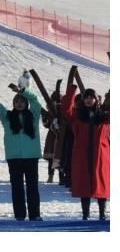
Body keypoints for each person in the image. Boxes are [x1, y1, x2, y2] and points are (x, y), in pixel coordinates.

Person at [0, 84, 43, 221]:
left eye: (22, 101)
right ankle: (20, 215)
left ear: (26, 103)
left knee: (32, 187)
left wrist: (23, 91)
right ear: (13, 104)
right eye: (16, 101)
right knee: (17, 188)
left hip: (31, 157)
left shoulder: (34, 115)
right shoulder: (7, 117)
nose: (19, 103)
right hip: (14, 158)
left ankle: (35, 215)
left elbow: (35, 100)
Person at [61, 66, 109, 220]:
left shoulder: (105, 118)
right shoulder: (77, 116)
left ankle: (102, 213)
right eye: (86, 97)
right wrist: (72, 89)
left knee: (101, 184)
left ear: (96, 100)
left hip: (101, 156)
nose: (89, 99)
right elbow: (65, 109)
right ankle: (85, 214)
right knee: (84, 185)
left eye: (91, 97)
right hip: (82, 155)